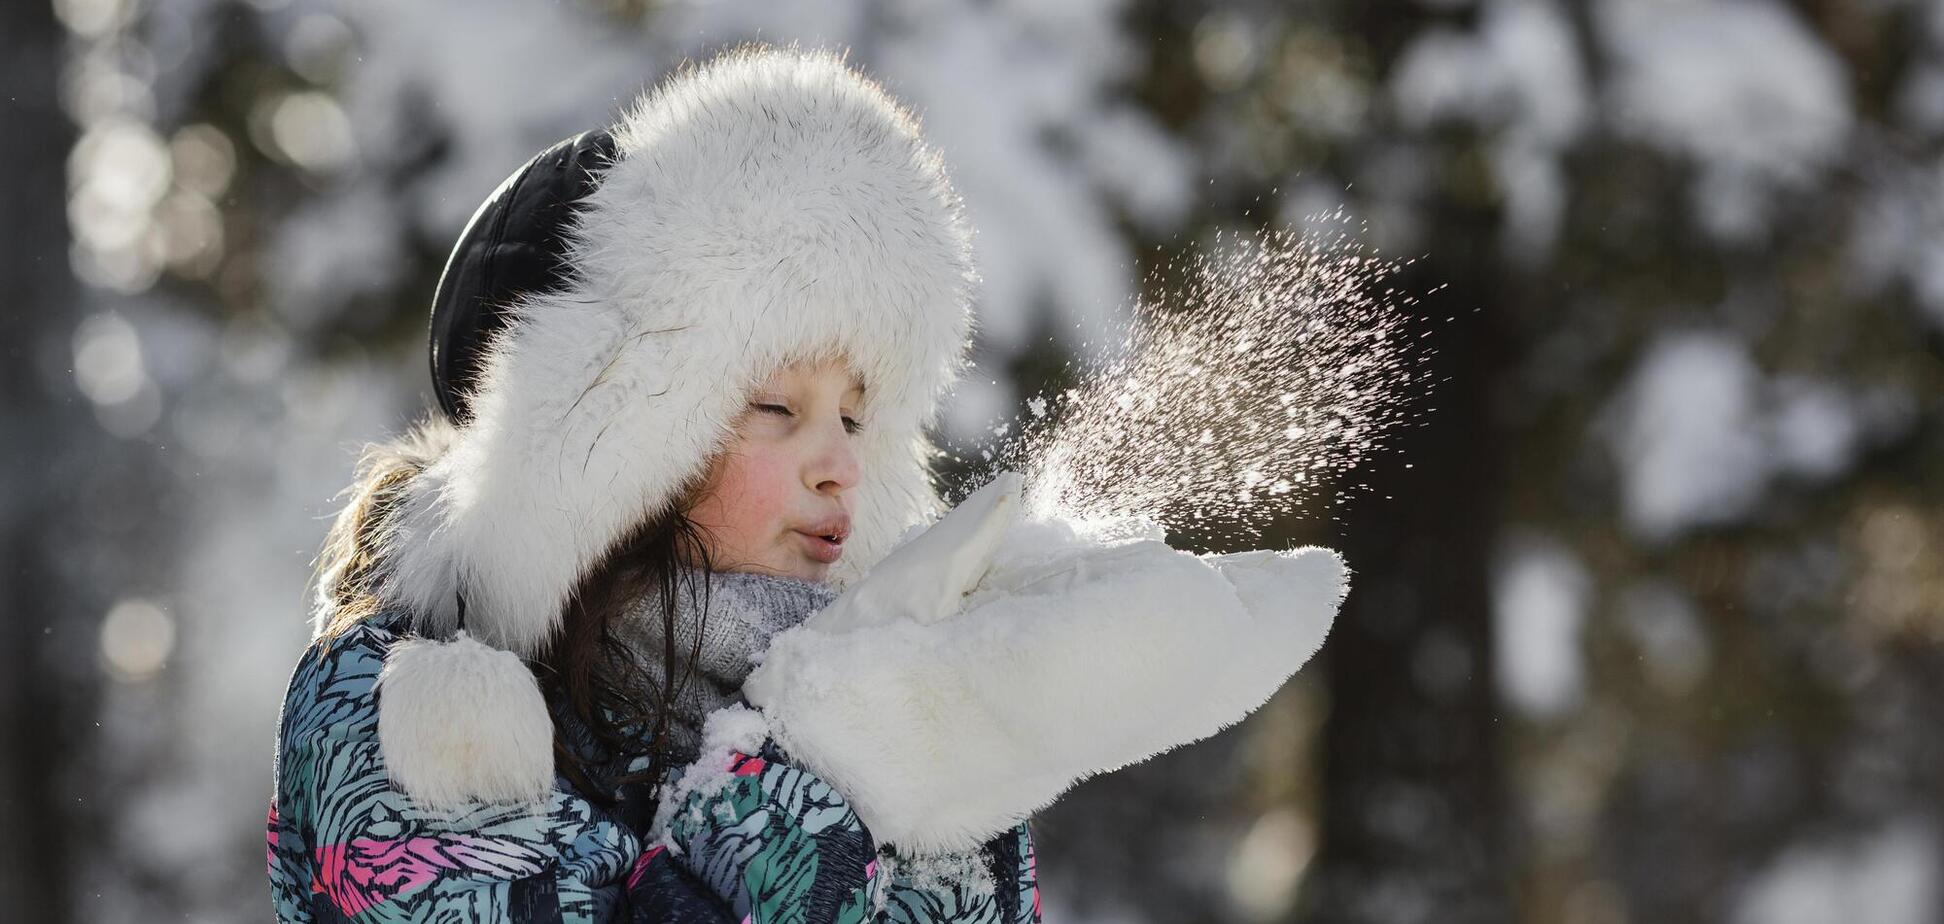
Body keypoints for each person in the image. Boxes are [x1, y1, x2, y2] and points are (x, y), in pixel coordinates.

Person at [269, 44, 1346, 923]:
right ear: (602, 452)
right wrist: (823, 771)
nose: (841, 462)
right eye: (777, 411)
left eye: (858, 416)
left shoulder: (891, 692)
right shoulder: (402, 703)